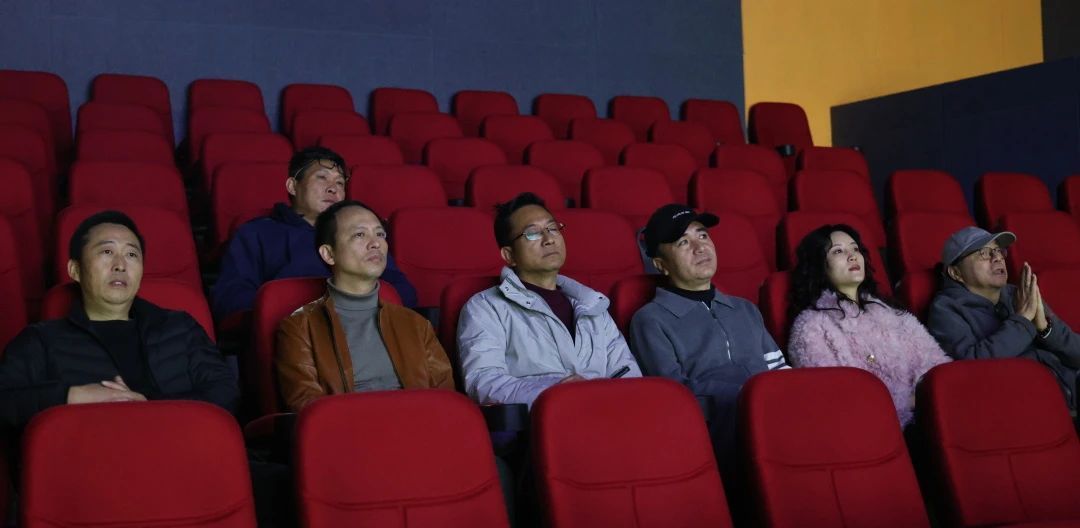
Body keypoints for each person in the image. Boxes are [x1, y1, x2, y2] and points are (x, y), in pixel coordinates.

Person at [0, 210, 237, 428]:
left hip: (183, 447)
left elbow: (226, 392)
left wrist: (150, 406)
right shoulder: (41, 340)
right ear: (75, 270)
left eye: (131, 254)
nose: (120, 265)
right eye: (107, 252)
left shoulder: (180, 328)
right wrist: (71, 396)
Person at [629, 203, 788, 479]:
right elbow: (672, 396)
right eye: (683, 242)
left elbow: (779, 371)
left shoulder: (744, 309)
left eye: (702, 235)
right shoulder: (650, 320)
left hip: (776, 425)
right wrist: (745, 395)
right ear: (660, 264)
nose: (699, 247)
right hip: (716, 441)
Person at [458, 192, 641, 406]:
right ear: (509, 255)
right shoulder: (486, 307)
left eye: (552, 228)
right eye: (532, 233)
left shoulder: (593, 305)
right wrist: (556, 393)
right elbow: (483, 383)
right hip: (538, 422)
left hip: (606, 416)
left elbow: (628, 375)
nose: (549, 239)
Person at [275, 200, 454, 412]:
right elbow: (308, 408)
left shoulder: (416, 325)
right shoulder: (300, 328)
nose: (376, 243)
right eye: (360, 235)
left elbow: (446, 401)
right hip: (348, 428)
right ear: (329, 254)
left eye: (380, 234)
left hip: (419, 424)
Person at [211, 146, 417, 322]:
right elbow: (231, 297)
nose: (333, 189)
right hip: (289, 333)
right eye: (322, 178)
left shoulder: (360, 233)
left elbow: (402, 291)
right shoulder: (256, 233)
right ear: (293, 186)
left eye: (340, 183)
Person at [787, 224, 950, 426]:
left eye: (855, 249)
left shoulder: (890, 312)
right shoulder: (810, 326)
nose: (852, 256)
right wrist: (908, 404)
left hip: (931, 417)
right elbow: (834, 397)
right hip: (873, 428)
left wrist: (927, 400)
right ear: (819, 265)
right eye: (838, 251)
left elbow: (936, 364)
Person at [927, 226, 1080, 411]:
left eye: (999, 251)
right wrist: (1022, 321)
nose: (998, 257)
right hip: (1026, 406)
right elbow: (971, 368)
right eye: (984, 253)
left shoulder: (1018, 294)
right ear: (956, 273)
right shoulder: (945, 310)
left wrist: (1045, 329)